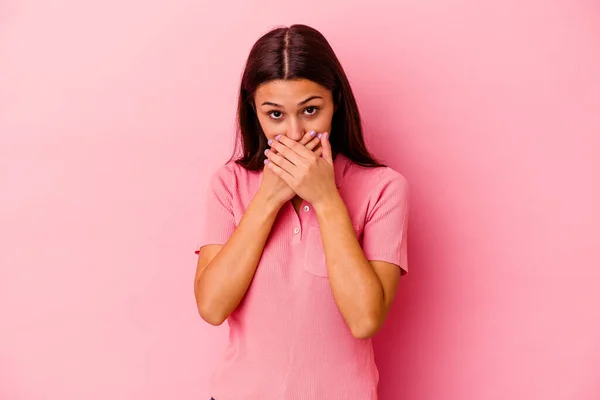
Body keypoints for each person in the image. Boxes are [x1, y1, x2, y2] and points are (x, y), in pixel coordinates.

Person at [193, 24, 409, 400]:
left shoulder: (384, 188)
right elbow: (212, 307)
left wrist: (326, 201)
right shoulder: (229, 184)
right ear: (254, 111)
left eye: (310, 110)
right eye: (275, 114)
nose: (294, 133)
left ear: (335, 101)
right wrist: (267, 200)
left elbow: (365, 319)